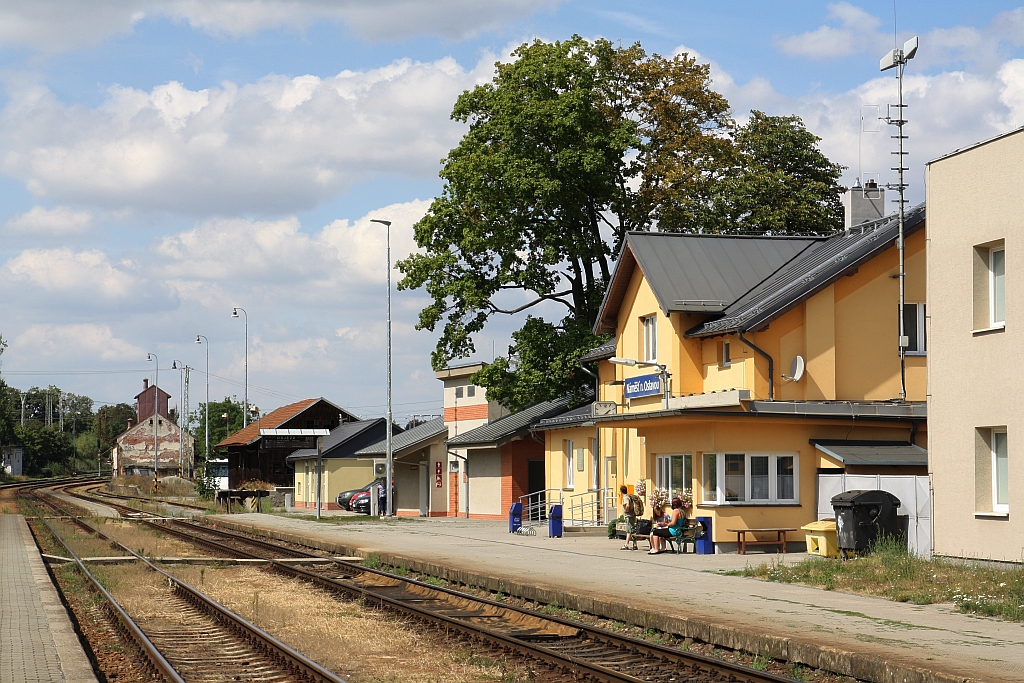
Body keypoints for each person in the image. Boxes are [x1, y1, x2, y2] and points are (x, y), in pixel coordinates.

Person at [620, 484, 638, 551]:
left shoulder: (625, 497)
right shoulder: (629, 496)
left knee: (628, 530)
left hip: (629, 516)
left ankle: (626, 544)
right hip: (632, 515)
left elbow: (627, 505)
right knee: (632, 530)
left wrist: (626, 511)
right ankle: (635, 544)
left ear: (621, 491)